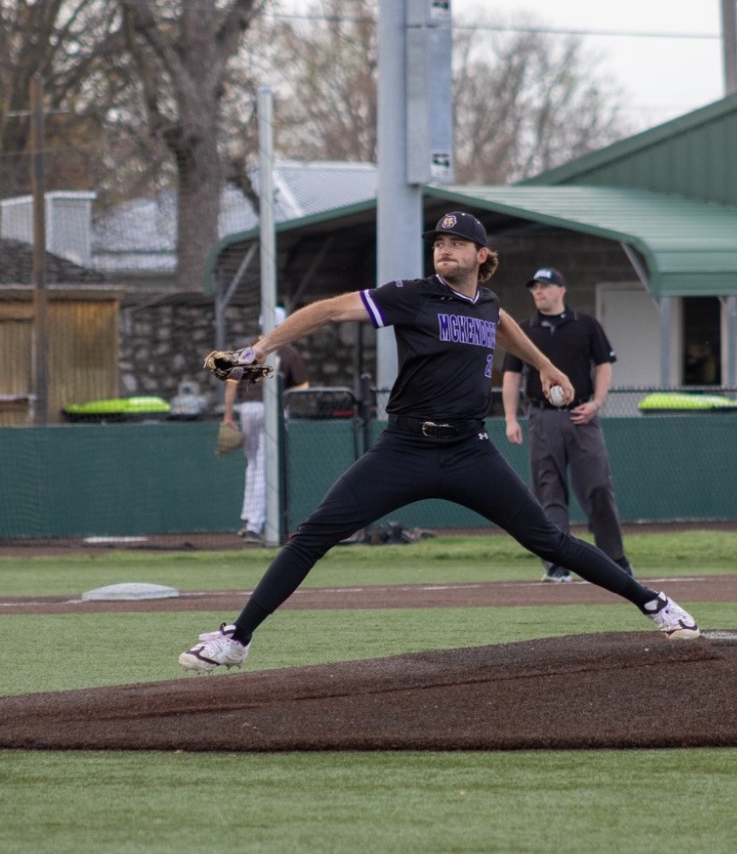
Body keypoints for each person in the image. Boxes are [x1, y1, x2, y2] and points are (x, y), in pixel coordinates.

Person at [180, 211, 700, 671]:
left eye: (455, 243)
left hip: (469, 451)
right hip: (405, 448)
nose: (444, 249)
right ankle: (236, 639)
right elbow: (332, 310)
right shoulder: (412, 296)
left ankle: (654, 603)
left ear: (481, 255)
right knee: (313, 534)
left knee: (548, 539)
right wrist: (263, 346)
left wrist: (545, 365)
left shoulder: (487, 302)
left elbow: (503, 326)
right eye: (437, 243)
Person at [500, 267, 631, 583]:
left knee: (598, 486)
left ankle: (614, 559)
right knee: (549, 491)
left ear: (561, 290)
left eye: (545, 286)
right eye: (535, 288)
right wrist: (509, 418)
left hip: (582, 415)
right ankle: (557, 563)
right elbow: (512, 375)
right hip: (542, 416)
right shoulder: (524, 329)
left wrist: (597, 403)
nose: (538, 292)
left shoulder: (585, 325)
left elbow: (604, 366)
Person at [220, 308, 309, 543]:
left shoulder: (248, 350)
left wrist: (228, 415)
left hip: (248, 409)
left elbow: (231, 385)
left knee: (253, 464)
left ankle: (249, 516)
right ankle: (254, 525)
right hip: (273, 410)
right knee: (263, 465)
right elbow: (302, 389)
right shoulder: (289, 353)